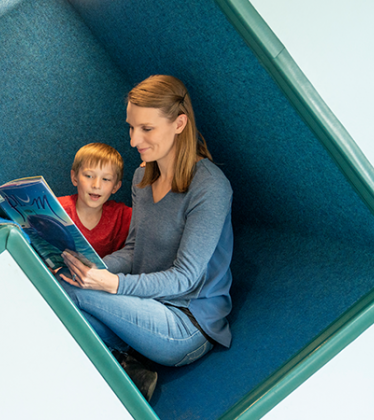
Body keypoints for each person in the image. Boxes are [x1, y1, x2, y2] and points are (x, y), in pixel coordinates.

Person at [60, 75, 234, 401]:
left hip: (186, 324)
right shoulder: (142, 176)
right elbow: (133, 249)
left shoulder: (210, 186)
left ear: (179, 123)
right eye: (131, 127)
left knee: (71, 291)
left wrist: (112, 285)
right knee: (62, 285)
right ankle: (126, 366)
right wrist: (90, 266)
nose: (133, 140)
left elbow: (184, 279)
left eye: (146, 129)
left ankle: (123, 362)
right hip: (142, 307)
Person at [58, 143, 132, 258]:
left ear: (116, 186)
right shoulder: (56, 208)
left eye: (106, 179)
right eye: (88, 176)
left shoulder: (123, 216)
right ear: (74, 178)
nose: (96, 185)